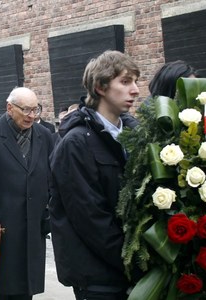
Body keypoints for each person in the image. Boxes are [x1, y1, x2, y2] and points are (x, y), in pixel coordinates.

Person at [49, 50, 140, 300]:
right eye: (125, 81)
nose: (135, 90)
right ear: (100, 87)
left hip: (133, 268)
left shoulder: (134, 135)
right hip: (99, 276)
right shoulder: (76, 143)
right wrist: (132, 260)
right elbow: (90, 217)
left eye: (135, 81)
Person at [0, 87, 53, 300]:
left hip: (32, 230)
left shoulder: (44, 135)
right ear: (9, 108)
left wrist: (48, 215)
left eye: (36, 109)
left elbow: (51, 179)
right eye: (26, 110)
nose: (31, 115)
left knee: (25, 290)